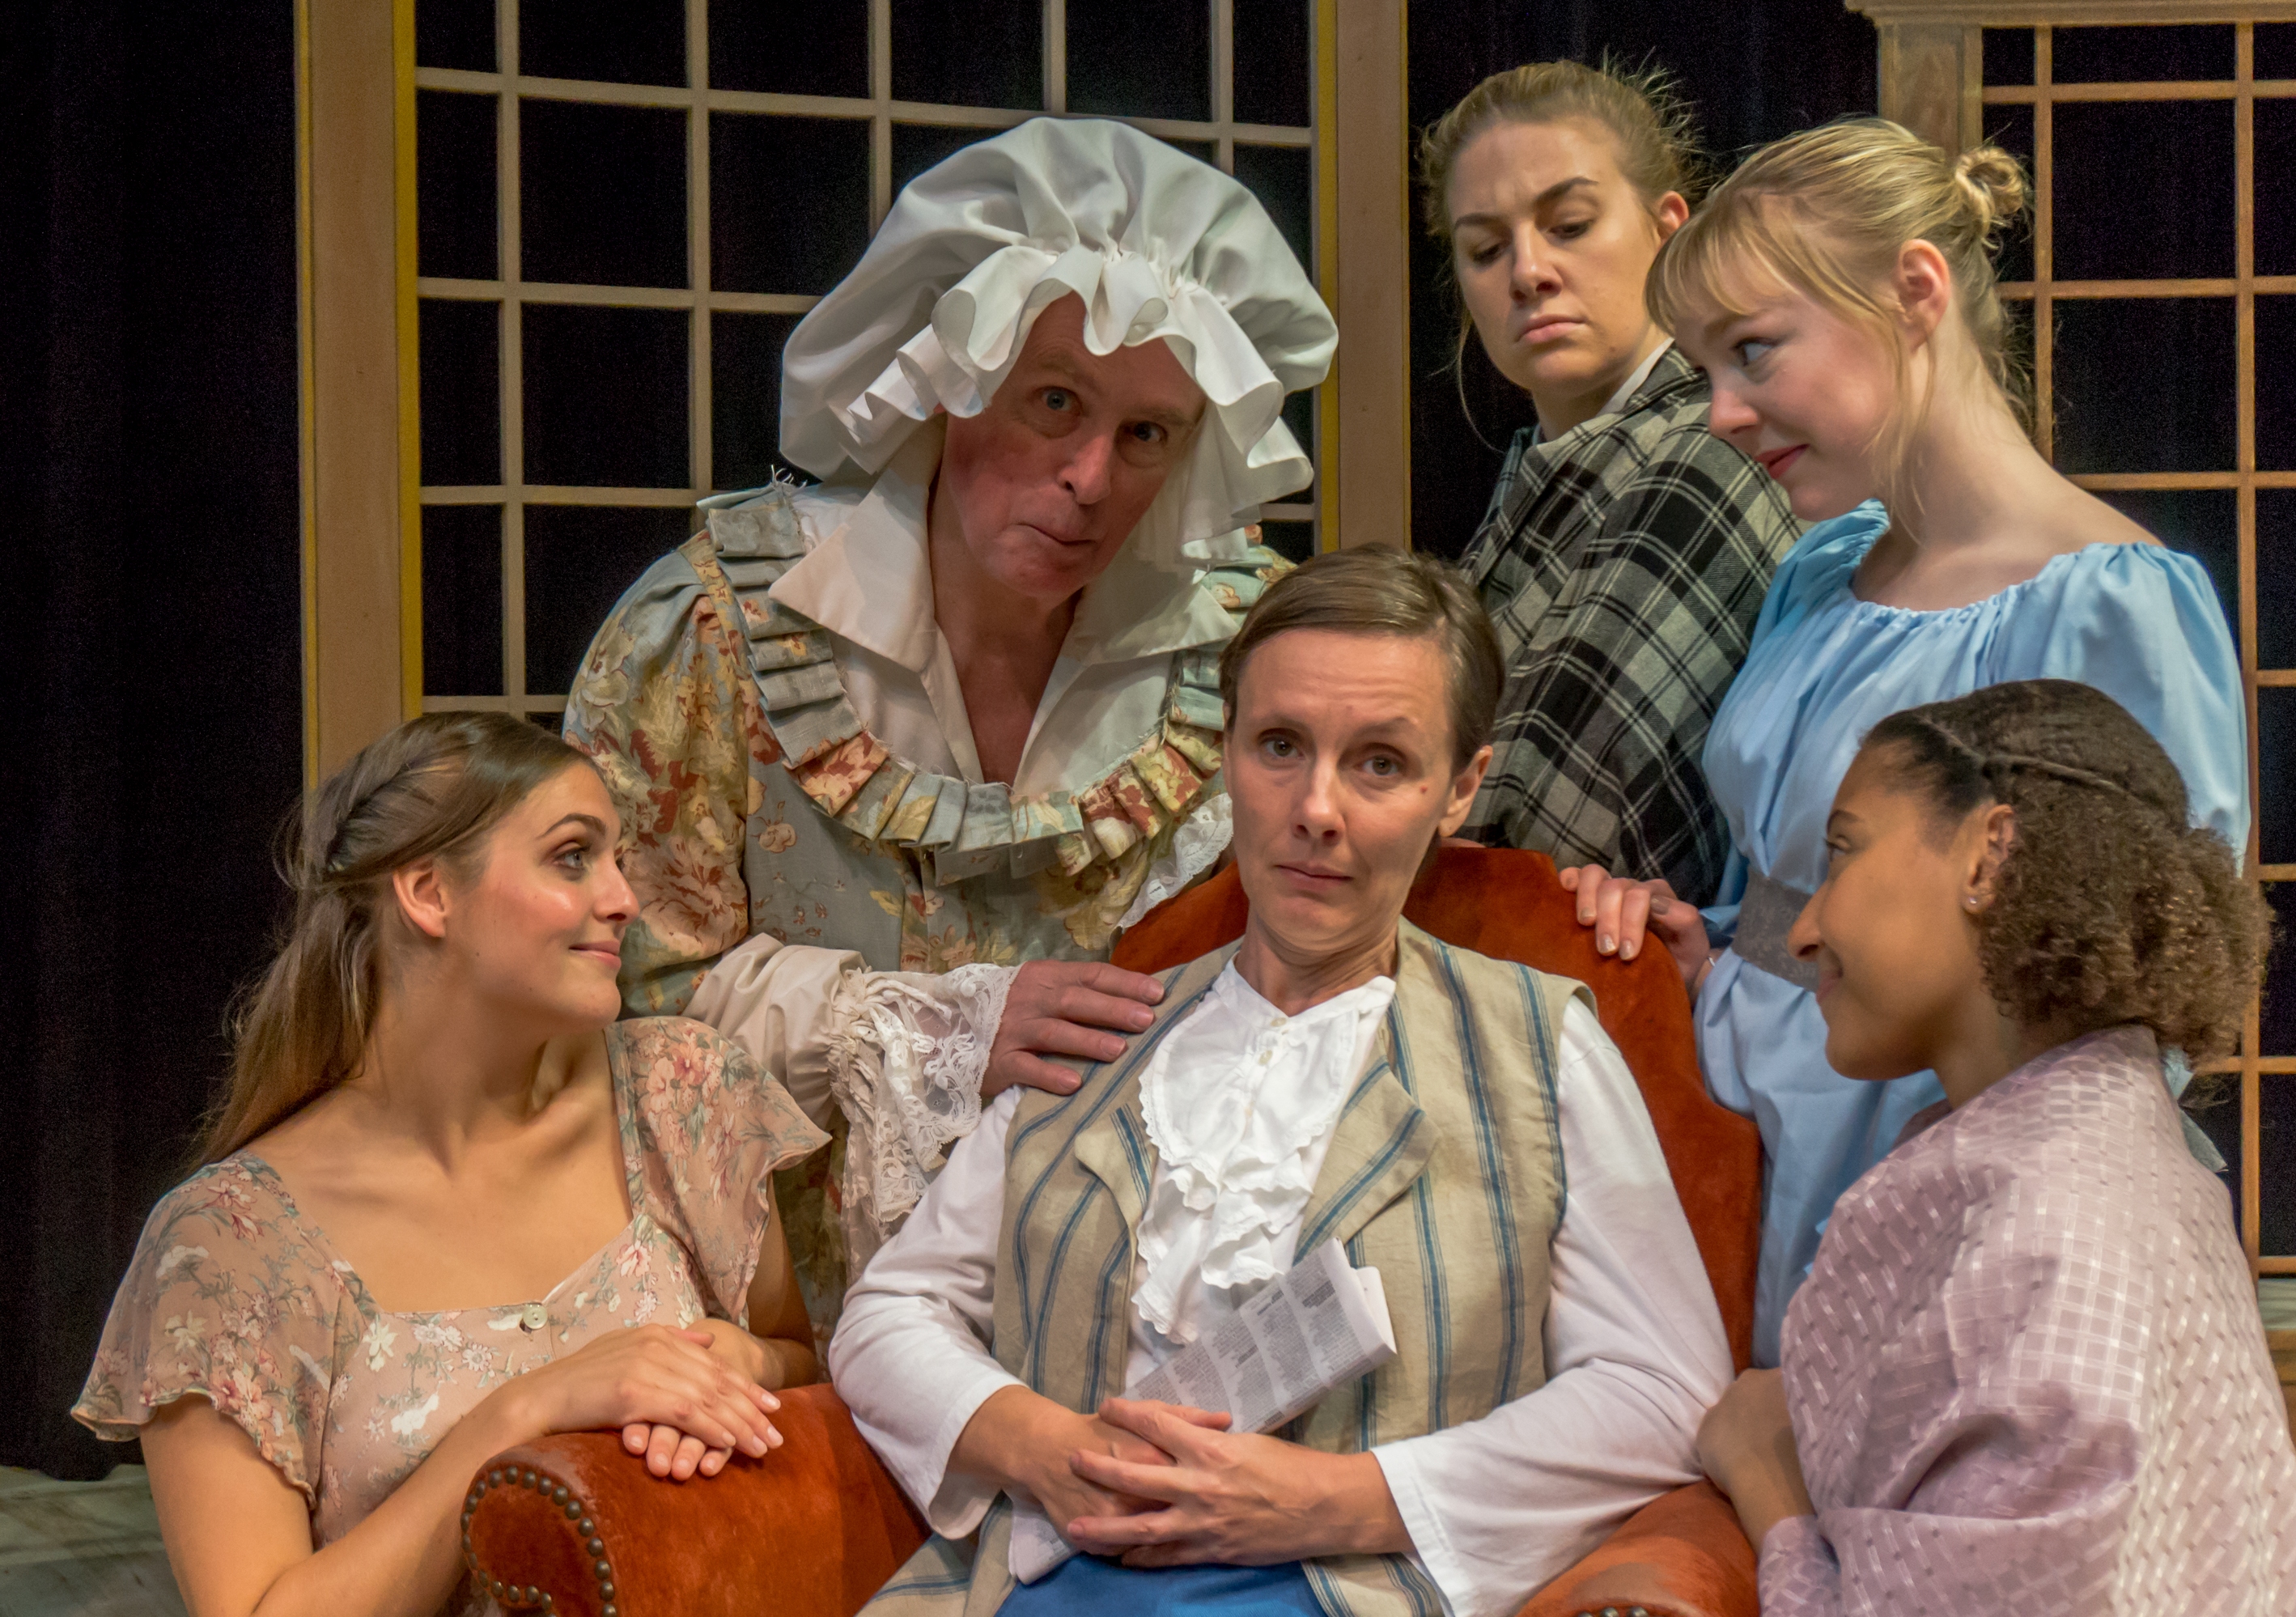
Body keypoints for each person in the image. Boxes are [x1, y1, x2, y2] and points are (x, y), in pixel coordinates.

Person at [830, 548, 1731, 1617]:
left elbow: (1663, 1390)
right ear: (1226, 758)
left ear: (1461, 788)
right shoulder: (1107, 1030)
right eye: (1280, 745)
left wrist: (1347, 1497)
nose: (1317, 807)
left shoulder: (1541, 1050)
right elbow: (891, 1307)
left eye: (1381, 762)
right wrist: (1045, 1446)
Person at [565, 119, 1339, 1331]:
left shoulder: (1243, 651)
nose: (1091, 477)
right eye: (1052, 401)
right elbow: (613, 994)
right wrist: (940, 1026)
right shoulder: (720, 633)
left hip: (1131, 1304)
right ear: (947, 382)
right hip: (773, 1323)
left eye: (1147, 434)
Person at [1568, 119, 2249, 1364]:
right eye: (1705, 369)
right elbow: (1777, 888)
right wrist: (1703, 948)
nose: (1721, 412)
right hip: (1730, 1142)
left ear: (1913, 290)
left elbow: (2142, 995)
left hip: (1935, 1194)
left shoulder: (2105, 602)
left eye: (1754, 351)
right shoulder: (1820, 571)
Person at [73, 713, 825, 1617]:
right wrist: (525, 1413)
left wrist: (750, 1365)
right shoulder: (229, 1248)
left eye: (617, 858)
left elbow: (808, 1369)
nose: (625, 898)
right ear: (429, 892)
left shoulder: (683, 1097)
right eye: (573, 856)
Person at [1688, 680, 2296, 1615]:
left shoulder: (2041, 1243)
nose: (1803, 930)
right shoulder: (2125, 1166)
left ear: (1987, 855)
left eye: (1842, 853)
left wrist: (1770, 1485)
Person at [1420, 61, 1802, 904]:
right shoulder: (1534, 481)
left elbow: (1549, 846)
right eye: (1485, 248)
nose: (1528, 271)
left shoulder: (1714, 451)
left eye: (1570, 224)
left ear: (1670, 229)